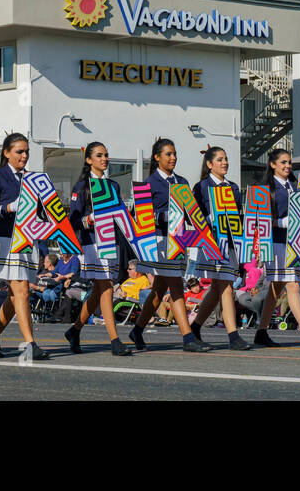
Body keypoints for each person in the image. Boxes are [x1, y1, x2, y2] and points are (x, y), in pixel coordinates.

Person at [127, 138, 211, 353]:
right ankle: (187, 336)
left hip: (178, 240)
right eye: (168, 154)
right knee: (175, 286)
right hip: (159, 242)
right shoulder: (149, 183)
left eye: (174, 154)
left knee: (159, 291)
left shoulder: (181, 181)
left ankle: (137, 330)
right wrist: (164, 215)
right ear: (157, 157)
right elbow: (140, 216)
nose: (173, 158)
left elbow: (190, 212)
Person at [0, 133, 51, 361]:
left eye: (26, 151)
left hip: (28, 239)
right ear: (7, 153)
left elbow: (41, 211)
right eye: (19, 151)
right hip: (5, 239)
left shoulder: (33, 179)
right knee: (21, 290)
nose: (24, 155)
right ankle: (31, 343)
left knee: (16, 294)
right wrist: (10, 207)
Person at [63, 142, 133, 357]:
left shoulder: (113, 186)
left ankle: (75, 330)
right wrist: (90, 219)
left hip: (111, 241)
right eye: (99, 155)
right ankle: (114, 338)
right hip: (92, 242)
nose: (104, 159)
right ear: (89, 159)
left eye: (106, 155)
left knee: (100, 289)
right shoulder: (81, 187)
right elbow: (73, 220)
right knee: (107, 286)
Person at [188, 146, 252, 350]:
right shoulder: (201, 186)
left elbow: (239, 218)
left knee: (217, 288)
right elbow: (192, 215)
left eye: (226, 159)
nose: (225, 163)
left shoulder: (233, 187)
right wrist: (210, 218)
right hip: (212, 243)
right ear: (209, 164)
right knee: (224, 286)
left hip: (230, 243)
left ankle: (195, 327)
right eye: (219, 159)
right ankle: (233, 335)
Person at [255, 149, 300, 346]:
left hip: (293, 243)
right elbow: (262, 219)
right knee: (293, 285)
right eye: (283, 162)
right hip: (277, 243)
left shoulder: (294, 186)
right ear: (272, 164)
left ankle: (261, 331)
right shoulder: (267, 188)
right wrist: (282, 222)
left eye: (289, 162)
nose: (287, 166)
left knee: (277, 286)